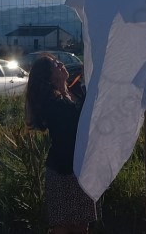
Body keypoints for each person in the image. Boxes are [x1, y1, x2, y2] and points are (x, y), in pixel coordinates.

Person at [25, 53, 100, 234]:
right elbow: (72, 121)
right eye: (55, 64)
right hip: (61, 172)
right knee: (62, 227)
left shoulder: (75, 92)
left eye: (59, 61)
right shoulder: (51, 103)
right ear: (49, 77)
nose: (61, 64)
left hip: (81, 169)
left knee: (82, 225)